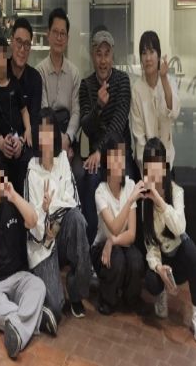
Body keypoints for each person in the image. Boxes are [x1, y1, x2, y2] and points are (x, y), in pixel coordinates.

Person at [0, 149, 57, 360]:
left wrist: (13, 196)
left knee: (38, 286)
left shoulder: (13, 202)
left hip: (20, 276)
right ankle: (36, 318)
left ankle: (18, 327)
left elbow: (32, 220)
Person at [25, 107, 91, 320]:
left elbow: (74, 202)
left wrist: (49, 212)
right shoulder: (32, 169)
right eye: (41, 132)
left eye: (49, 132)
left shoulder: (62, 159)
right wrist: (45, 214)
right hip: (43, 243)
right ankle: (42, 288)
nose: (45, 138)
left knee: (78, 219)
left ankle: (76, 292)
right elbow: (32, 218)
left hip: (60, 232)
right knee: (55, 307)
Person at [142, 138, 196, 345]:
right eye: (149, 166)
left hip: (179, 258)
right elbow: (150, 243)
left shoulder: (176, 191)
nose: (153, 172)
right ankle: (161, 292)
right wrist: (158, 267)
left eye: (157, 166)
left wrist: (159, 201)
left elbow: (180, 228)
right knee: (151, 280)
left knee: (191, 249)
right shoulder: (144, 200)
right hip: (163, 261)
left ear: (164, 167)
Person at [78, 30, 136, 244]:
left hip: (119, 153)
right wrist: (99, 106)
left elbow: (118, 124)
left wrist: (99, 150)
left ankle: (125, 242)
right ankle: (92, 243)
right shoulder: (86, 85)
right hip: (98, 157)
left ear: (113, 56)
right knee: (90, 179)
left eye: (107, 54)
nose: (103, 60)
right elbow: (86, 127)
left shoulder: (123, 81)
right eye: (98, 54)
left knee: (128, 179)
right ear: (93, 56)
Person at [92, 132, 145, 315]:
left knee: (136, 260)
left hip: (120, 243)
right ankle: (107, 298)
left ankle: (131, 298)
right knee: (117, 259)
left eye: (122, 157)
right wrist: (130, 201)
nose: (119, 162)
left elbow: (131, 234)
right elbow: (114, 227)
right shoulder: (100, 192)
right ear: (106, 161)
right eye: (115, 157)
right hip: (101, 247)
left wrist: (113, 241)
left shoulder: (130, 186)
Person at [0, 37, 32, 195]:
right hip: (1, 145)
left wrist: (28, 129)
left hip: (17, 141)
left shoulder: (15, 84)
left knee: (24, 169)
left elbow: (24, 110)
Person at [130, 31, 180, 173]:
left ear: (158, 55)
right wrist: (149, 168)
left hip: (167, 160)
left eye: (152, 52)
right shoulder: (136, 89)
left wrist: (163, 79)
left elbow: (174, 112)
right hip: (144, 164)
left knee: (170, 187)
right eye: (144, 53)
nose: (148, 58)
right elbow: (139, 136)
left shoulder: (168, 81)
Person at [36, 8, 81, 160]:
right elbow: (43, 110)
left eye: (63, 34)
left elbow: (76, 112)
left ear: (67, 39)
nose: (59, 38)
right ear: (48, 34)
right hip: (47, 137)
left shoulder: (74, 73)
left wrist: (67, 138)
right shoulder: (40, 71)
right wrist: (58, 142)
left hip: (68, 136)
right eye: (55, 32)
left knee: (79, 171)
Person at [9, 18, 43, 127]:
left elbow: (34, 122)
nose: (22, 49)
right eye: (19, 42)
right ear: (11, 41)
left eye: (27, 44)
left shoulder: (35, 79)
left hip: (26, 136)